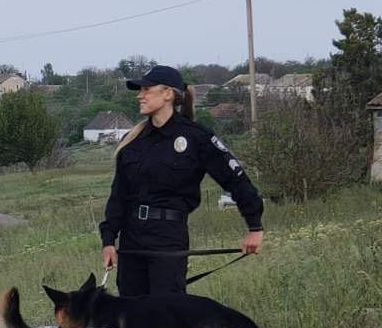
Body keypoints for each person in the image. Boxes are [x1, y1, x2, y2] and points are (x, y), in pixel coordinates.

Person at [99, 65, 263, 298]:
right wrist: (108, 241)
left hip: (168, 238)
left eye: (146, 89)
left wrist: (254, 227)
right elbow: (118, 196)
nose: (140, 95)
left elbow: (236, 179)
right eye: (140, 90)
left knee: (167, 316)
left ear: (168, 94)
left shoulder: (196, 137)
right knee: (132, 317)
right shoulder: (132, 141)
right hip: (132, 240)